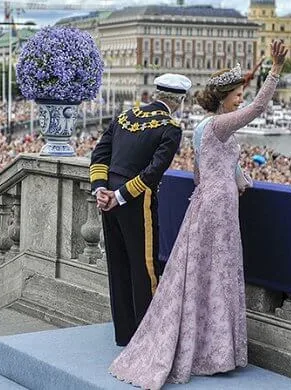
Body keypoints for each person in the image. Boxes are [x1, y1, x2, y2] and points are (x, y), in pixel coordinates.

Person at [107, 40, 288, 389]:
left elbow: (204, 170)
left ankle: (209, 348)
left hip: (208, 201)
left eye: (240, 94)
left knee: (203, 275)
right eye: (237, 94)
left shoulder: (206, 128)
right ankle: (216, 352)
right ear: (224, 97)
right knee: (218, 274)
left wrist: (239, 178)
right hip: (218, 207)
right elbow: (259, 107)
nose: (240, 99)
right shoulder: (220, 125)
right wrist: (276, 69)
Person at [89, 73, 192, 347]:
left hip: (108, 198)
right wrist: (121, 195)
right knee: (144, 268)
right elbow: (153, 172)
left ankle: (124, 333)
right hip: (136, 202)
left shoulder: (124, 117)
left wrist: (101, 189)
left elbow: (99, 156)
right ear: (179, 101)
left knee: (118, 265)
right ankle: (147, 336)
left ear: (156, 94)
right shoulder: (170, 127)